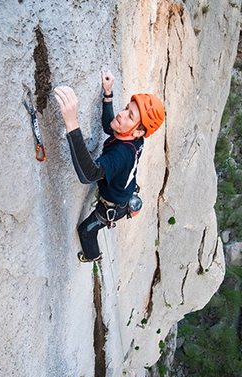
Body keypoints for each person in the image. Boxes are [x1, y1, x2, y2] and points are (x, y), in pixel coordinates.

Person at [54, 71, 165, 263]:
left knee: (86, 231)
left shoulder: (121, 154)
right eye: (125, 109)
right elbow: (109, 127)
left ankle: (92, 256)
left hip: (112, 208)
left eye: (129, 116)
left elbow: (89, 174)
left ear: (138, 131)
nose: (121, 115)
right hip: (123, 191)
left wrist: (71, 122)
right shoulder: (133, 138)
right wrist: (108, 94)